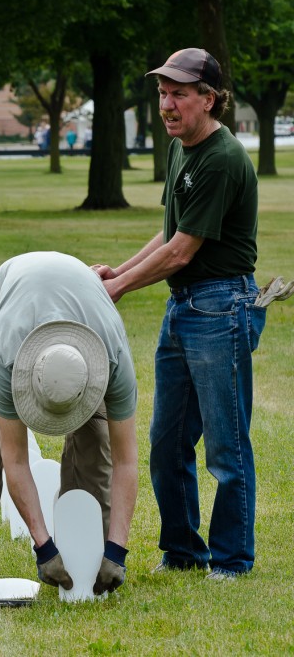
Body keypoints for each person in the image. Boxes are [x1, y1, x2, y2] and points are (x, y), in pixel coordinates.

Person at [93, 48, 263, 581]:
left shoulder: (221, 158)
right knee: (166, 443)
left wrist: (119, 288)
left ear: (208, 99)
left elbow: (183, 250)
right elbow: (169, 231)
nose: (167, 104)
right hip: (183, 307)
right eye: (163, 93)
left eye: (180, 94)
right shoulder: (182, 148)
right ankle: (182, 551)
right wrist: (113, 273)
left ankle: (232, 561)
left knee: (225, 447)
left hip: (220, 308)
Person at [0, 251, 138, 596]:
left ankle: (95, 567)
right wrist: (43, 546)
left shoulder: (113, 358)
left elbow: (126, 460)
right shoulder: (6, 357)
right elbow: (15, 458)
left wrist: (118, 548)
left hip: (85, 323)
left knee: (94, 449)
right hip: (2, 321)